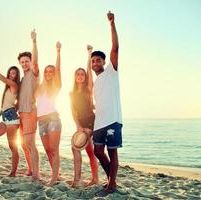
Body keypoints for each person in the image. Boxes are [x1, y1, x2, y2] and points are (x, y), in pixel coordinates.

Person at [0, 48, 28, 176]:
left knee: (12, 146)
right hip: (5, 117)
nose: (10, 75)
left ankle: (13, 172)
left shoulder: (14, 85)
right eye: (10, 73)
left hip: (12, 119)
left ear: (16, 75)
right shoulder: (8, 88)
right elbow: (4, 105)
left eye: (13, 74)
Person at [92, 11, 122, 193]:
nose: (95, 62)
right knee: (97, 151)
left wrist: (111, 24)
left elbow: (115, 47)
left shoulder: (112, 71)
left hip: (112, 119)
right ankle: (112, 179)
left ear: (104, 62)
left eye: (98, 60)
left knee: (112, 152)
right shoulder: (96, 82)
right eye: (93, 60)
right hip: (99, 121)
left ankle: (111, 184)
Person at [69, 45, 99, 188]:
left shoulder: (88, 88)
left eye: (82, 74)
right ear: (75, 77)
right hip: (81, 123)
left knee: (76, 148)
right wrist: (77, 125)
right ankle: (95, 179)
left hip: (90, 122)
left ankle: (77, 180)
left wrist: (89, 54)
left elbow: (89, 70)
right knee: (89, 151)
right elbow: (73, 111)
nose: (81, 76)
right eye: (78, 74)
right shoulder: (71, 94)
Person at [36, 41, 62, 186]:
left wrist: (58, 51)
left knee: (54, 149)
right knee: (47, 149)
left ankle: (53, 178)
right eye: (46, 71)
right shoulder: (40, 88)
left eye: (50, 71)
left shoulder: (56, 85)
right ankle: (56, 174)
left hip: (53, 118)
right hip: (41, 120)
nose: (48, 73)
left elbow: (58, 69)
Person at [17, 29, 40, 181]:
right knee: (24, 145)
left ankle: (36, 174)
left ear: (31, 62)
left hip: (31, 113)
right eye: (22, 62)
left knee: (30, 144)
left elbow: (36, 60)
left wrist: (34, 41)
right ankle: (30, 169)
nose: (25, 64)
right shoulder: (22, 78)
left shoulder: (33, 73)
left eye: (27, 61)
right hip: (20, 114)